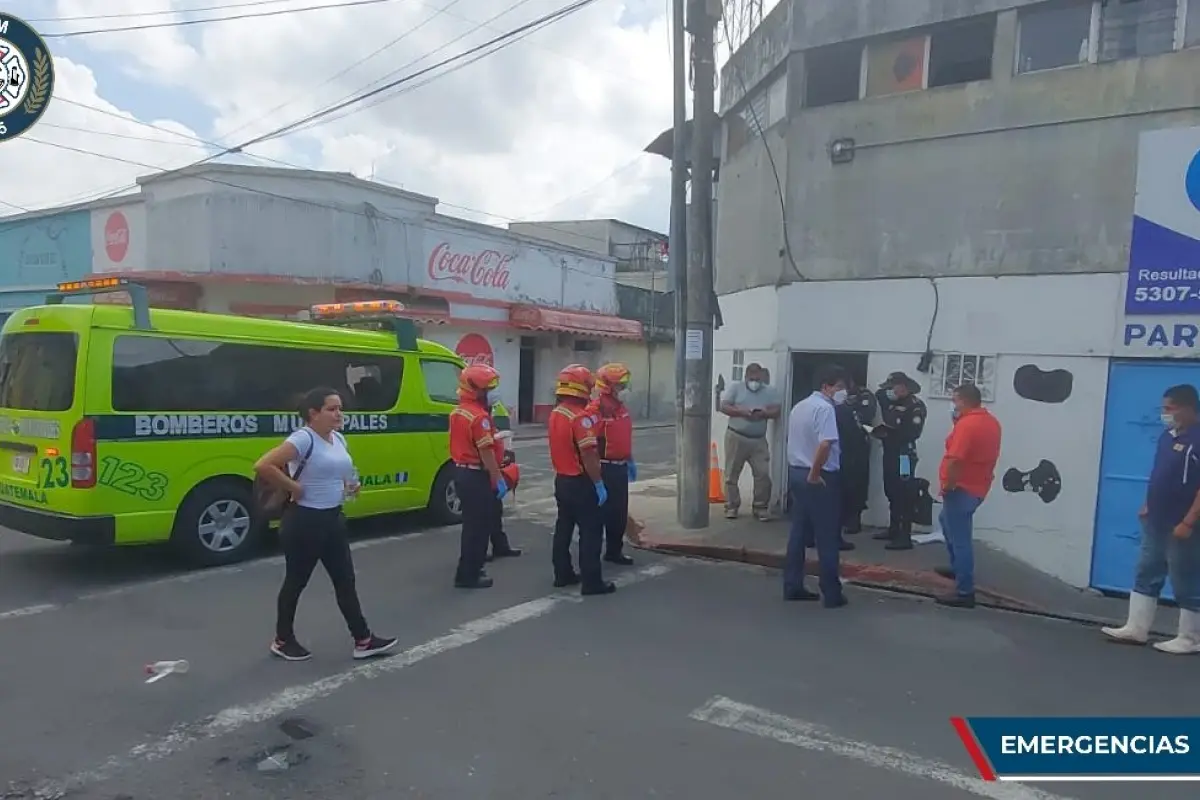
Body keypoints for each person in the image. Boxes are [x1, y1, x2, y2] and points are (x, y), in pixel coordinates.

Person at [254, 387, 398, 662]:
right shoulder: (303, 438)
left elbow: (339, 471)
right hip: (305, 520)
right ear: (313, 413)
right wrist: (293, 486)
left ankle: (363, 639)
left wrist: (349, 485)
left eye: (339, 408)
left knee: (345, 580)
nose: (338, 414)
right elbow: (263, 466)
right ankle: (282, 640)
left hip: (332, 517)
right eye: (332, 409)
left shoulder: (338, 439)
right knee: (297, 581)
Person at [1102, 384, 1200, 654]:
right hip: (1156, 517)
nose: (1165, 413)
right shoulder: (1167, 437)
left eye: (1170, 408)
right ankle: (1136, 627)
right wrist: (1148, 503)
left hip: (1184, 523)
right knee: (1147, 568)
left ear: (1188, 408)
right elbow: (1160, 474)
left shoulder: (1197, 439)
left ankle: (1191, 637)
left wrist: (1189, 521)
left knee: (1185, 576)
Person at [782, 364, 848, 609]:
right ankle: (831, 592)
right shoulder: (824, 408)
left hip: (797, 472)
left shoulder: (800, 406)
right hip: (818, 477)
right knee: (827, 535)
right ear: (826, 387)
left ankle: (792, 585)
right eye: (839, 387)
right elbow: (825, 444)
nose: (843, 393)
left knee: (799, 533)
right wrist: (815, 472)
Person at [548, 364, 616, 596]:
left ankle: (562, 573)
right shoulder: (580, 418)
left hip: (562, 479)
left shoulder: (556, 413)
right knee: (591, 532)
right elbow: (588, 454)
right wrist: (598, 483)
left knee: (563, 528)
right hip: (580, 482)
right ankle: (592, 582)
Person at [934, 383, 1002, 609]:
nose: (953, 405)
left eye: (955, 401)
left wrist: (948, 485)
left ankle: (964, 591)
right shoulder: (990, 422)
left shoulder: (968, 425)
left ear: (963, 401)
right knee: (946, 521)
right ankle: (958, 569)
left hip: (961, 487)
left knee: (961, 538)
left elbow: (955, 459)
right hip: (978, 486)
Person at [449, 364, 512, 589]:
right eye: (488, 388)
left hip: (462, 471)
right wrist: (498, 479)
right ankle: (469, 575)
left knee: (472, 526)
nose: (491, 393)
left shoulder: (458, 411)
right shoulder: (479, 418)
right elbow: (485, 452)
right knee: (478, 529)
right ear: (476, 389)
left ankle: (471, 568)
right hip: (476, 475)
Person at [587, 362, 638, 566]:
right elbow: (589, 442)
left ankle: (614, 551)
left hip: (620, 466)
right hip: (604, 467)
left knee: (619, 513)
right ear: (608, 386)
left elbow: (623, 436)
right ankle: (592, 554)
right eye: (620, 386)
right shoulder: (596, 410)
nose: (623, 390)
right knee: (599, 514)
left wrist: (630, 458)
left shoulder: (620, 409)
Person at [719, 362, 783, 520]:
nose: (755, 382)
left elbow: (777, 410)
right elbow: (724, 406)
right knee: (731, 474)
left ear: (762, 377)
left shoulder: (769, 391)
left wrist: (764, 413)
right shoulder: (736, 388)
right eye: (752, 378)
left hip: (758, 440)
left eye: (758, 378)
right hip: (736, 436)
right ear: (746, 377)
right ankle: (731, 506)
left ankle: (760, 507)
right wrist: (741, 411)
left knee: (762, 474)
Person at [872, 371, 926, 551]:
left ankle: (905, 535)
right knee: (891, 490)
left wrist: (890, 432)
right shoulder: (891, 402)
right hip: (890, 452)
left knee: (904, 492)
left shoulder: (915, 406)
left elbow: (913, 432)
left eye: (894, 387)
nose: (891, 391)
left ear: (904, 386)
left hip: (904, 454)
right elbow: (879, 396)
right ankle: (894, 529)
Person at [835, 374, 875, 545]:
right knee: (843, 485)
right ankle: (843, 520)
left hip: (903, 454)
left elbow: (864, 417)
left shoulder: (864, 396)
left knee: (900, 490)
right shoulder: (834, 402)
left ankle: (901, 531)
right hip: (843, 447)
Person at [486, 428, 523, 563]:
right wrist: (497, 476)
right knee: (483, 516)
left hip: (493, 471)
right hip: (484, 473)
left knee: (495, 512)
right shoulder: (477, 418)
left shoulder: (486, 418)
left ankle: (500, 546)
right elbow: (485, 450)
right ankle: (479, 553)